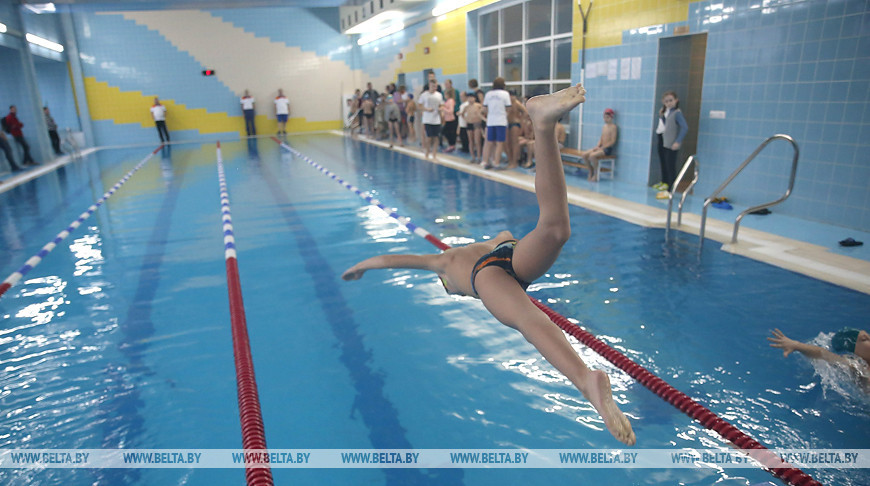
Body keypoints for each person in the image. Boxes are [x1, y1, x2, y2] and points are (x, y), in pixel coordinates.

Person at [342, 84, 636, 446]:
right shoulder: (473, 247)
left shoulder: (444, 262)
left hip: (490, 276)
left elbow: (394, 260)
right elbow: (504, 233)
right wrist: (364, 265)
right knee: (555, 229)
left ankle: (584, 379)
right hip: (510, 254)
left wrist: (362, 266)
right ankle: (542, 126)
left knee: (529, 320)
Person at [768, 328, 869, 387]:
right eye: (865, 339)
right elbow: (823, 354)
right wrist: (797, 345)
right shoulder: (857, 367)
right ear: (852, 351)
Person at [654, 91, 688, 191]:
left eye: (671, 100)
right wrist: (662, 116)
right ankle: (666, 184)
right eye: (666, 101)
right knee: (665, 163)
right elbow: (667, 125)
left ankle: (671, 189)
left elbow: (684, 127)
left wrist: (678, 141)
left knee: (670, 166)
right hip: (665, 141)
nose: (669, 103)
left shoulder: (677, 113)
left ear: (676, 100)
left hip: (672, 143)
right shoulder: (669, 112)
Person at [576, 108, 618, 181]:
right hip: (601, 147)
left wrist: (602, 148)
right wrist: (597, 146)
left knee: (592, 156)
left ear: (611, 117)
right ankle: (590, 170)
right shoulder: (604, 127)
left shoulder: (613, 127)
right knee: (584, 154)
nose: (605, 119)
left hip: (607, 149)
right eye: (604, 117)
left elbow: (612, 141)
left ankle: (596, 174)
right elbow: (601, 138)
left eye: (607, 117)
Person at [480, 77, 512, 169]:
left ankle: (486, 161)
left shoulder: (488, 94)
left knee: (489, 142)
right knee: (499, 143)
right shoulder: (505, 94)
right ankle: (496, 162)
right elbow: (509, 108)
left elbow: (484, 109)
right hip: (501, 121)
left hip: (490, 121)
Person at [419, 79, 444, 160]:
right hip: (427, 119)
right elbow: (419, 106)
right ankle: (427, 153)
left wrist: (441, 109)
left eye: (435, 86)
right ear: (429, 86)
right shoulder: (424, 95)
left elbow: (441, 105)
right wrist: (426, 109)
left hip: (436, 119)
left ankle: (434, 154)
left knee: (436, 137)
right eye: (433, 86)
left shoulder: (439, 95)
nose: (434, 88)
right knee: (429, 137)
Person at [461, 92, 484, 163]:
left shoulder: (478, 106)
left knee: (477, 141)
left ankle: (479, 157)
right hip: (469, 124)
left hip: (477, 124)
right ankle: (473, 157)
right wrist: (466, 119)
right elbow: (462, 114)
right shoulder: (466, 107)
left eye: (471, 97)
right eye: (469, 98)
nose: (470, 99)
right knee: (471, 141)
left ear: (474, 98)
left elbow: (483, 113)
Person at [440, 87, 457, 152]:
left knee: (448, 133)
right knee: (446, 132)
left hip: (451, 119)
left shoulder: (451, 101)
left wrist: (443, 109)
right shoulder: (447, 101)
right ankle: (451, 145)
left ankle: (452, 145)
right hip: (447, 119)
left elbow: (451, 111)